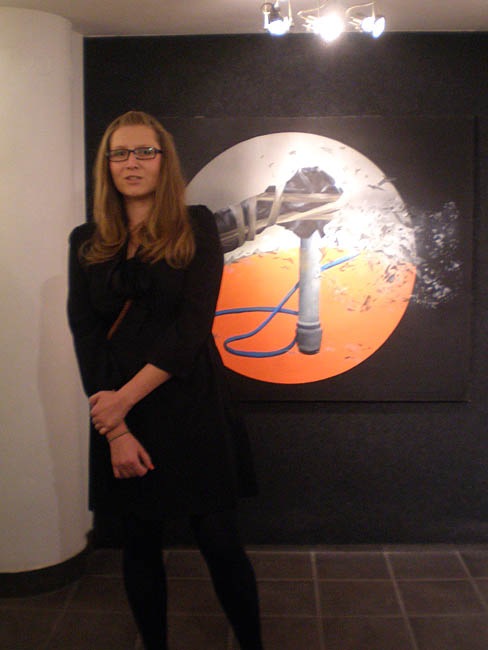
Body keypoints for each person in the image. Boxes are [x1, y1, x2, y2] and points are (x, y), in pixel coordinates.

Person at [67, 110, 263, 650]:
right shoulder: (85, 240)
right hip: (121, 416)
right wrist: (116, 429)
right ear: (107, 165)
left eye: (144, 152)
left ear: (164, 161)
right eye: (119, 153)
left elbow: (192, 328)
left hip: (191, 403)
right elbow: (86, 334)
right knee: (138, 543)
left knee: (220, 542)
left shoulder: (196, 226)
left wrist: (120, 404)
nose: (131, 163)